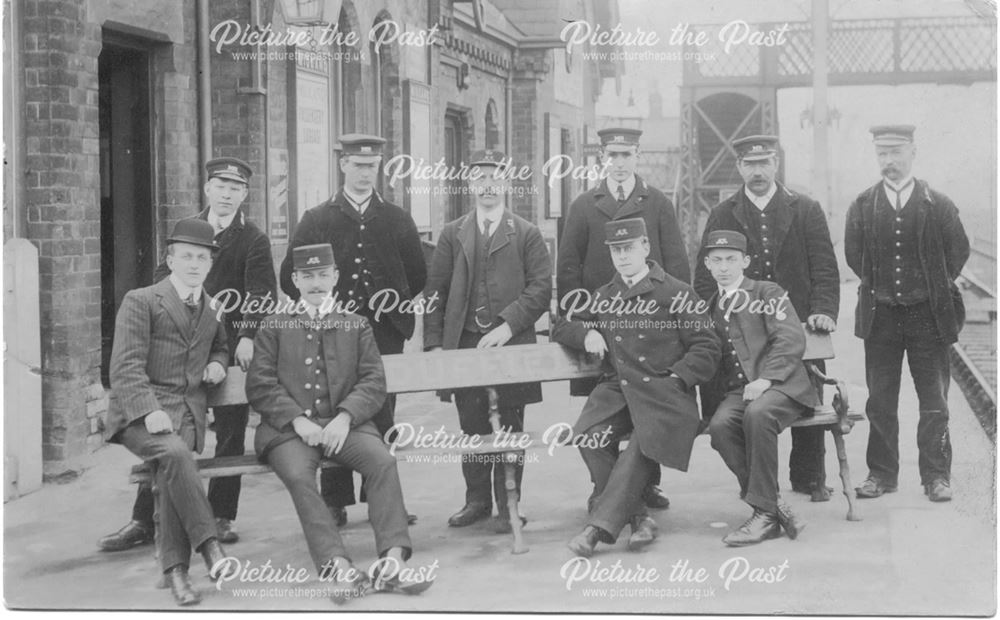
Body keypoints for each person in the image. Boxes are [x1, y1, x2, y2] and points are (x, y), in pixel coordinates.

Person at [98, 157, 275, 551]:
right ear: (208, 189)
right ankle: (144, 519)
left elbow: (262, 293)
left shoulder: (253, 239)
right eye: (220, 186)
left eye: (236, 189)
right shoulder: (187, 231)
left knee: (230, 431)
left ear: (245, 194)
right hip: (179, 347)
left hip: (225, 349)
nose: (227, 195)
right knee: (166, 429)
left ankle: (221, 514)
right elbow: (163, 281)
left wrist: (246, 335)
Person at [247, 243, 433, 604]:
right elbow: (260, 384)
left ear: (335, 277)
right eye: (307, 276)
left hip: (344, 426)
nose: (316, 283)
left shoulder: (356, 325)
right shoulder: (274, 326)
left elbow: (373, 381)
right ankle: (340, 568)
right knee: (300, 476)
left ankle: (392, 562)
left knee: (382, 462)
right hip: (289, 432)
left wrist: (345, 416)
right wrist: (299, 421)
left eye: (322, 275)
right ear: (295, 280)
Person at [279, 134, 426, 526]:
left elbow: (418, 273)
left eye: (372, 166)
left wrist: (390, 306)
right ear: (342, 165)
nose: (365, 173)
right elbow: (287, 277)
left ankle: (384, 498)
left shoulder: (397, 218)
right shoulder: (318, 218)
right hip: (331, 330)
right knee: (334, 405)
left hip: (384, 330)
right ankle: (335, 500)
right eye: (357, 165)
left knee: (383, 409)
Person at [552, 218, 720, 557]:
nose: (623, 257)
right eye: (616, 250)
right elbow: (561, 325)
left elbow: (707, 347)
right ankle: (639, 518)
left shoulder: (676, 291)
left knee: (643, 442)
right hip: (620, 393)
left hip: (666, 394)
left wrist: (678, 378)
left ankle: (598, 528)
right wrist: (587, 333)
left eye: (629, 248)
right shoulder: (604, 295)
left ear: (645, 247)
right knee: (589, 435)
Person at [693, 135, 840, 502]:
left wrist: (823, 310)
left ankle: (809, 478)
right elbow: (703, 278)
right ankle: (758, 485)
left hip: (798, 322)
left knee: (805, 392)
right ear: (739, 167)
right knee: (742, 410)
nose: (757, 171)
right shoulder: (723, 213)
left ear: (777, 164)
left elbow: (824, 265)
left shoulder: (805, 208)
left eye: (764, 162)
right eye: (749, 164)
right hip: (742, 330)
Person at [557, 127, 690, 510]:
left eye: (626, 155)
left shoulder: (658, 203)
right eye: (611, 155)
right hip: (602, 327)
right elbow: (568, 272)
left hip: (650, 324)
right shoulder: (584, 205)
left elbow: (677, 265)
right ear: (602, 157)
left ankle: (646, 486)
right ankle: (606, 487)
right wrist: (583, 327)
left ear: (637, 156)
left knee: (648, 404)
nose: (618, 164)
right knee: (607, 411)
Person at [423, 149, 552, 532]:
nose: (488, 186)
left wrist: (507, 326)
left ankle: (508, 503)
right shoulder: (452, 233)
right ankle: (476, 500)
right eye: (480, 178)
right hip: (464, 346)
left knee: (511, 426)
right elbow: (436, 292)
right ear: (470, 184)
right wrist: (433, 345)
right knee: (472, 426)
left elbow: (541, 288)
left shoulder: (525, 233)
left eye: (495, 178)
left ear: (507, 184)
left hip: (511, 347)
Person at [102, 219, 230, 606]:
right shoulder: (142, 300)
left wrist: (219, 364)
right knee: (174, 455)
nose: (194, 264)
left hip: (187, 416)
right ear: (170, 259)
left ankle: (176, 572)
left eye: (202, 258)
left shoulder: (212, 307)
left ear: (210, 265)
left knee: (172, 466)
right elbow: (124, 368)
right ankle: (209, 546)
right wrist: (148, 411)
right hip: (139, 417)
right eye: (186, 256)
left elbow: (220, 346)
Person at [845, 124, 969, 503]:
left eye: (896, 153)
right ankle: (881, 475)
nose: (889, 161)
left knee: (934, 401)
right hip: (880, 317)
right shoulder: (864, 204)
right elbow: (855, 256)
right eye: (882, 154)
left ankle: (936, 477)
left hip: (926, 318)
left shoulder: (939, 203)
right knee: (880, 400)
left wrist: (931, 285)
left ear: (913, 151)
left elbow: (957, 252)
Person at [701, 230, 813, 546]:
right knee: (721, 426)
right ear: (708, 264)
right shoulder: (709, 307)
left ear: (745, 261)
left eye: (731, 259)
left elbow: (790, 338)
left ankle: (763, 517)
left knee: (759, 413)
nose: (724, 267)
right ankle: (773, 507)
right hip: (740, 392)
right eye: (717, 260)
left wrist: (767, 379)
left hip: (782, 386)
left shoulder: (767, 292)